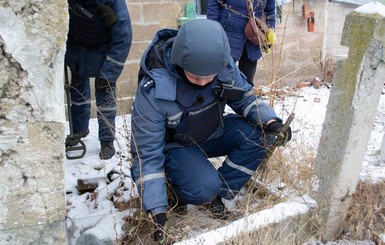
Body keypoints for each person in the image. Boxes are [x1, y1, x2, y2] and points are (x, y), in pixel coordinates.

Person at [130, 19, 291, 243]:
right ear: (180, 61)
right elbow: (146, 155)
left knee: (263, 135)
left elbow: (244, 96)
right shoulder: (153, 91)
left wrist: (271, 121)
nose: (204, 82)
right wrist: (157, 211)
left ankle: (222, 194)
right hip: (177, 146)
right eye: (196, 77)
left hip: (212, 132)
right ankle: (177, 189)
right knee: (204, 188)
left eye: (210, 76)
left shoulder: (222, 65)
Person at [65, 0, 132, 159]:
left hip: (104, 53)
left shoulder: (114, 2)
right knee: (77, 93)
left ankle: (107, 141)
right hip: (78, 50)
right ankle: (78, 130)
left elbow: (123, 38)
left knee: (105, 98)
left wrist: (109, 73)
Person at [207, 0, 276, 85]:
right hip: (228, 34)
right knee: (225, 80)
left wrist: (268, 32)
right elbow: (214, 4)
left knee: (247, 82)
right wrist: (213, 30)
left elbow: (270, 10)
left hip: (253, 36)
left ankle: (244, 97)